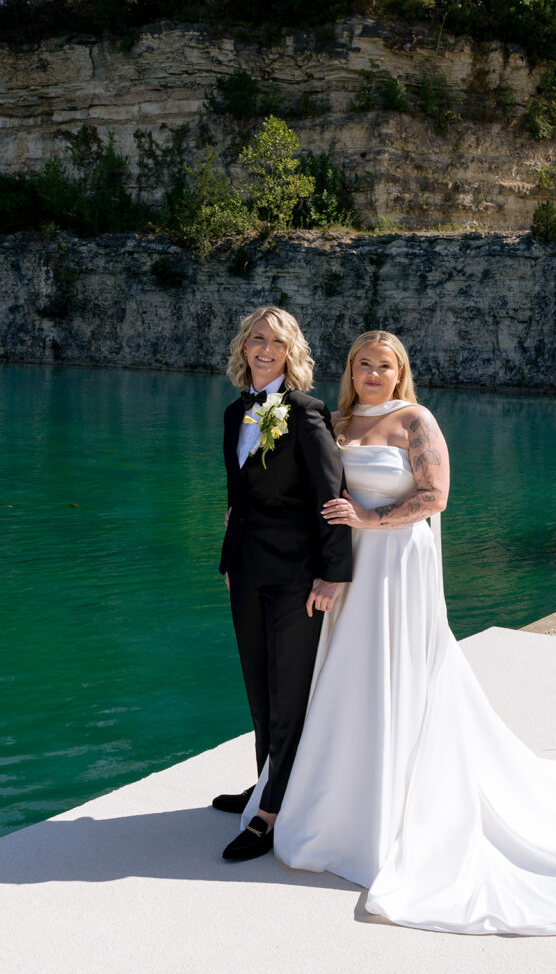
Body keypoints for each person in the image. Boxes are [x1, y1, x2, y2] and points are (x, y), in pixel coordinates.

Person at [243, 330, 556, 934]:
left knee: (395, 673)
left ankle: (391, 806)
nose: (372, 373)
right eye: (362, 364)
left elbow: (435, 496)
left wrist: (370, 518)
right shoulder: (334, 420)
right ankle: (327, 795)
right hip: (346, 568)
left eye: (383, 366)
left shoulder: (415, 421)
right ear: (349, 370)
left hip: (396, 566)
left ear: (400, 372)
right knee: (340, 675)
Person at [215, 306, 352, 862]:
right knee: (256, 686)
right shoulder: (234, 413)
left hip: (298, 576)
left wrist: (333, 573)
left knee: (288, 694)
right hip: (246, 571)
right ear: (243, 348)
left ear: (291, 351)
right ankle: (264, 784)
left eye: (276, 341)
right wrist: (229, 563)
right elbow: (236, 497)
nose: (264, 349)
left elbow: (332, 497)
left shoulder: (307, 412)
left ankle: (271, 814)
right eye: (256, 339)